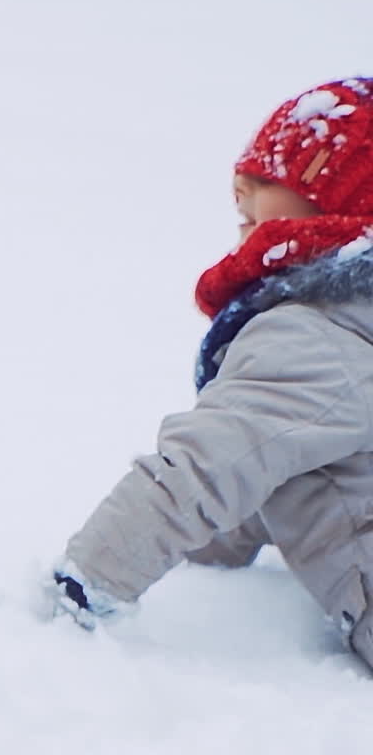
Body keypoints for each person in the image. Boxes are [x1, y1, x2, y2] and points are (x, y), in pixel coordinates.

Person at [50, 76, 373, 668]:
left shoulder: (317, 334)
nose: (243, 188)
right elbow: (273, 466)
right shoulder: (354, 327)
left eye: (285, 175)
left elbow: (212, 464)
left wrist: (86, 582)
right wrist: (217, 550)